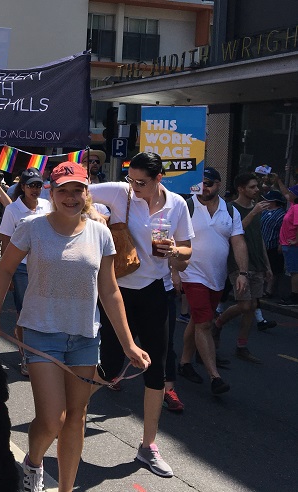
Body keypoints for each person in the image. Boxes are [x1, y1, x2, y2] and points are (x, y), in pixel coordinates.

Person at [0, 162, 150, 492]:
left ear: (87, 193)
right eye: (63, 190)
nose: (70, 197)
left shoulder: (100, 232)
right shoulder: (32, 227)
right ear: (51, 192)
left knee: (77, 417)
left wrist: (128, 344)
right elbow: (3, 271)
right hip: (40, 332)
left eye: (78, 190)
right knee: (52, 419)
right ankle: (33, 460)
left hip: (85, 336)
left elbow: (110, 289)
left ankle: (66, 488)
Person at [89, 151, 193, 478]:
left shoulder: (177, 204)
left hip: (155, 290)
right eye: (130, 179)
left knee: (156, 367)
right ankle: (68, 412)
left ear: (159, 178)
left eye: (141, 182)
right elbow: (74, 192)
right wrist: (97, 217)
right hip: (117, 289)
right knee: (111, 364)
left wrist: (176, 252)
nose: (134, 186)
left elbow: (187, 250)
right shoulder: (122, 193)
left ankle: (148, 446)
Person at [177, 167, 247, 395]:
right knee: (205, 323)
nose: (204, 187)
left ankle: (185, 362)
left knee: (197, 321)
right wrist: (174, 272)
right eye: (200, 183)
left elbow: (238, 242)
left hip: (216, 277)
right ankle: (214, 376)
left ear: (219, 184)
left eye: (209, 183)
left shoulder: (231, 211)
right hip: (191, 273)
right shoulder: (186, 207)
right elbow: (171, 239)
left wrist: (243, 273)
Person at [213, 172, 277, 363]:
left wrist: (267, 265)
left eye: (257, 186)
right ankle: (218, 323)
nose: (256, 190)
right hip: (239, 263)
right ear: (241, 189)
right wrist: (254, 212)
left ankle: (242, 345)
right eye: (252, 187)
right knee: (244, 304)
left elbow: (259, 239)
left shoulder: (255, 208)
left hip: (257, 262)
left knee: (252, 306)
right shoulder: (231, 208)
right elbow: (235, 231)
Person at [0, 167, 53, 376]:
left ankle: (38, 350)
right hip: (21, 268)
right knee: (25, 312)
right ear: (23, 187)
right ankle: (26, 357)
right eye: (31, 185)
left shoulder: (47, 206)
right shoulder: (13, 210)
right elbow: (5, 240)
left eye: (39, 185)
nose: (35, 189)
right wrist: (7, 271)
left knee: (42, 310)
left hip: (44, 267)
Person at [278, 185, 298, 306]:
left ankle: (295, 296)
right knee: (292, 270)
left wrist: (296, 240)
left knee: (295, 271)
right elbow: (285, 193)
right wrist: (278, 181)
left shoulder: (296, 208)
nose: (288, 194)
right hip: (287, 243)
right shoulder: (292, 206)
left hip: (292, 245)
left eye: (291, 192)